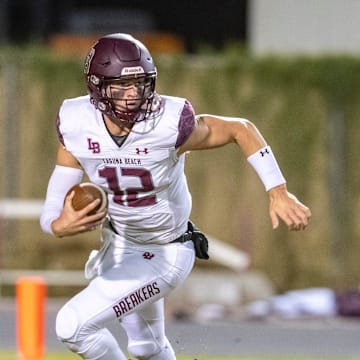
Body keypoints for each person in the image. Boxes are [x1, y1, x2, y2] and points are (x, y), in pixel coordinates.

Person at [40, 33, 311, 360]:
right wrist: (57, 224)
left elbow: (240, 128)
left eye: (140, 84)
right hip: (119, 246)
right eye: (120, 87)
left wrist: (278, 190)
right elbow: (54, 205)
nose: (132, 96)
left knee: (73, 326)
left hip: (165, 252)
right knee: (147, 347)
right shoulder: (76, 123)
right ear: (96, 87)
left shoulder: (167, 123)